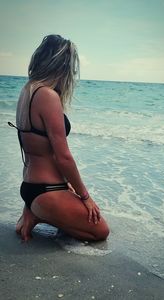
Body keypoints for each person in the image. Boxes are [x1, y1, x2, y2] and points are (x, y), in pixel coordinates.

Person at [8, 34, 109, 242]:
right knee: (100, 232)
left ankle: (36, 211)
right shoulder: (47, 96)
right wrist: (85, 197)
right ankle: (40, 214)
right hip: (47, 191)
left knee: (90, 225)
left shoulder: (28, 90)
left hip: (32, 187)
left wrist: (68, 186)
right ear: (62, 65)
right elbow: (63, 157)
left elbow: (36, 149)